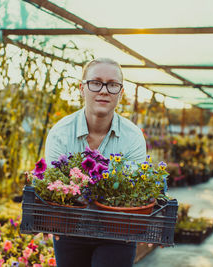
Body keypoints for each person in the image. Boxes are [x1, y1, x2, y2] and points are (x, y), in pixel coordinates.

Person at [44, 57, 147, 267]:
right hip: (70, 228)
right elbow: (54, 189)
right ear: (82, 88)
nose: (104, 90)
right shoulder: (61, 133)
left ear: (121, 93)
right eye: (96, 82)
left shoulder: (133, 137)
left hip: (117, 231)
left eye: (112, 84)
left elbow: (134, 191)